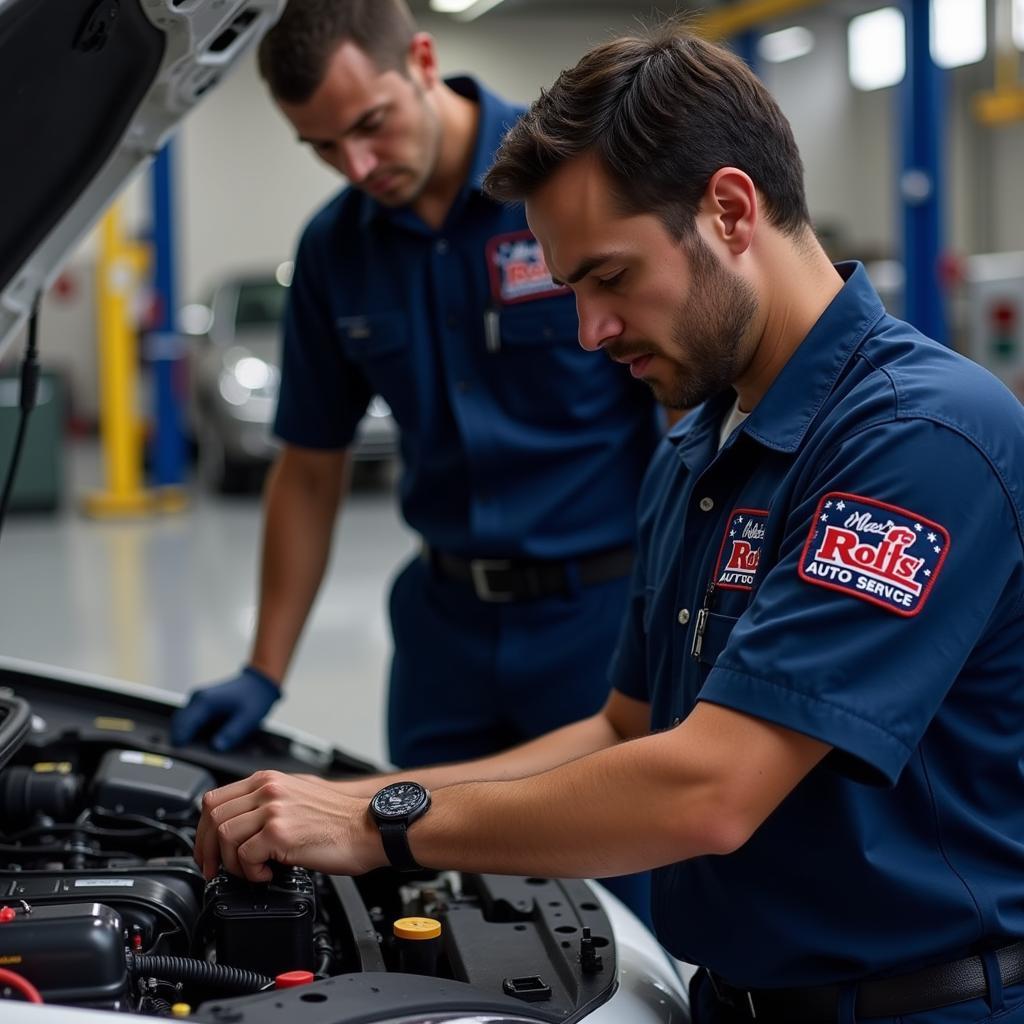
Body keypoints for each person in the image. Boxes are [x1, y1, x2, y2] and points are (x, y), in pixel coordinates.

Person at [194, 20, 1024, 1023]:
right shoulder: (695, 453)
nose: (588, 333)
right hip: (732, 997)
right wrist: (354, 798)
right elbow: (620, 730)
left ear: (728, 210)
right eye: (568, 287)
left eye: (610, 277)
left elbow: (709, 788)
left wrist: (384, 820)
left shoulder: (918, 438)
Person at [171, 0, 659, 921]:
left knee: (623, 910)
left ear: (424, 60)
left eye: (368, 125)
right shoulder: (333, 251)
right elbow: (309, 466)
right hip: (443, 637)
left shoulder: (568, 178)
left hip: (601, 625)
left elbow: (681, 413)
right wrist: (264, 668)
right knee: (429, 898)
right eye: (321, 147)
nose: (356, 166)